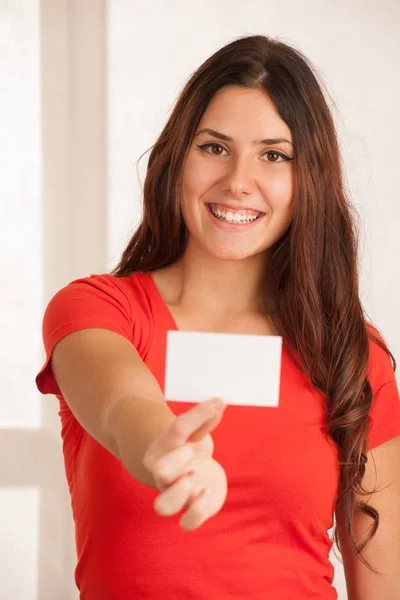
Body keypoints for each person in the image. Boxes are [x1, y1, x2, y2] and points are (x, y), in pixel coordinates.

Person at [35, 35, 400, 599]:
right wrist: (161, 447)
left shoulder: (350, 355)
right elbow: (120, 403)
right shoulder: (100, 311)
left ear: (309, 182)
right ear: (177, 156)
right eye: (215, 147)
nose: (237, 181)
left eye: (273, 155)